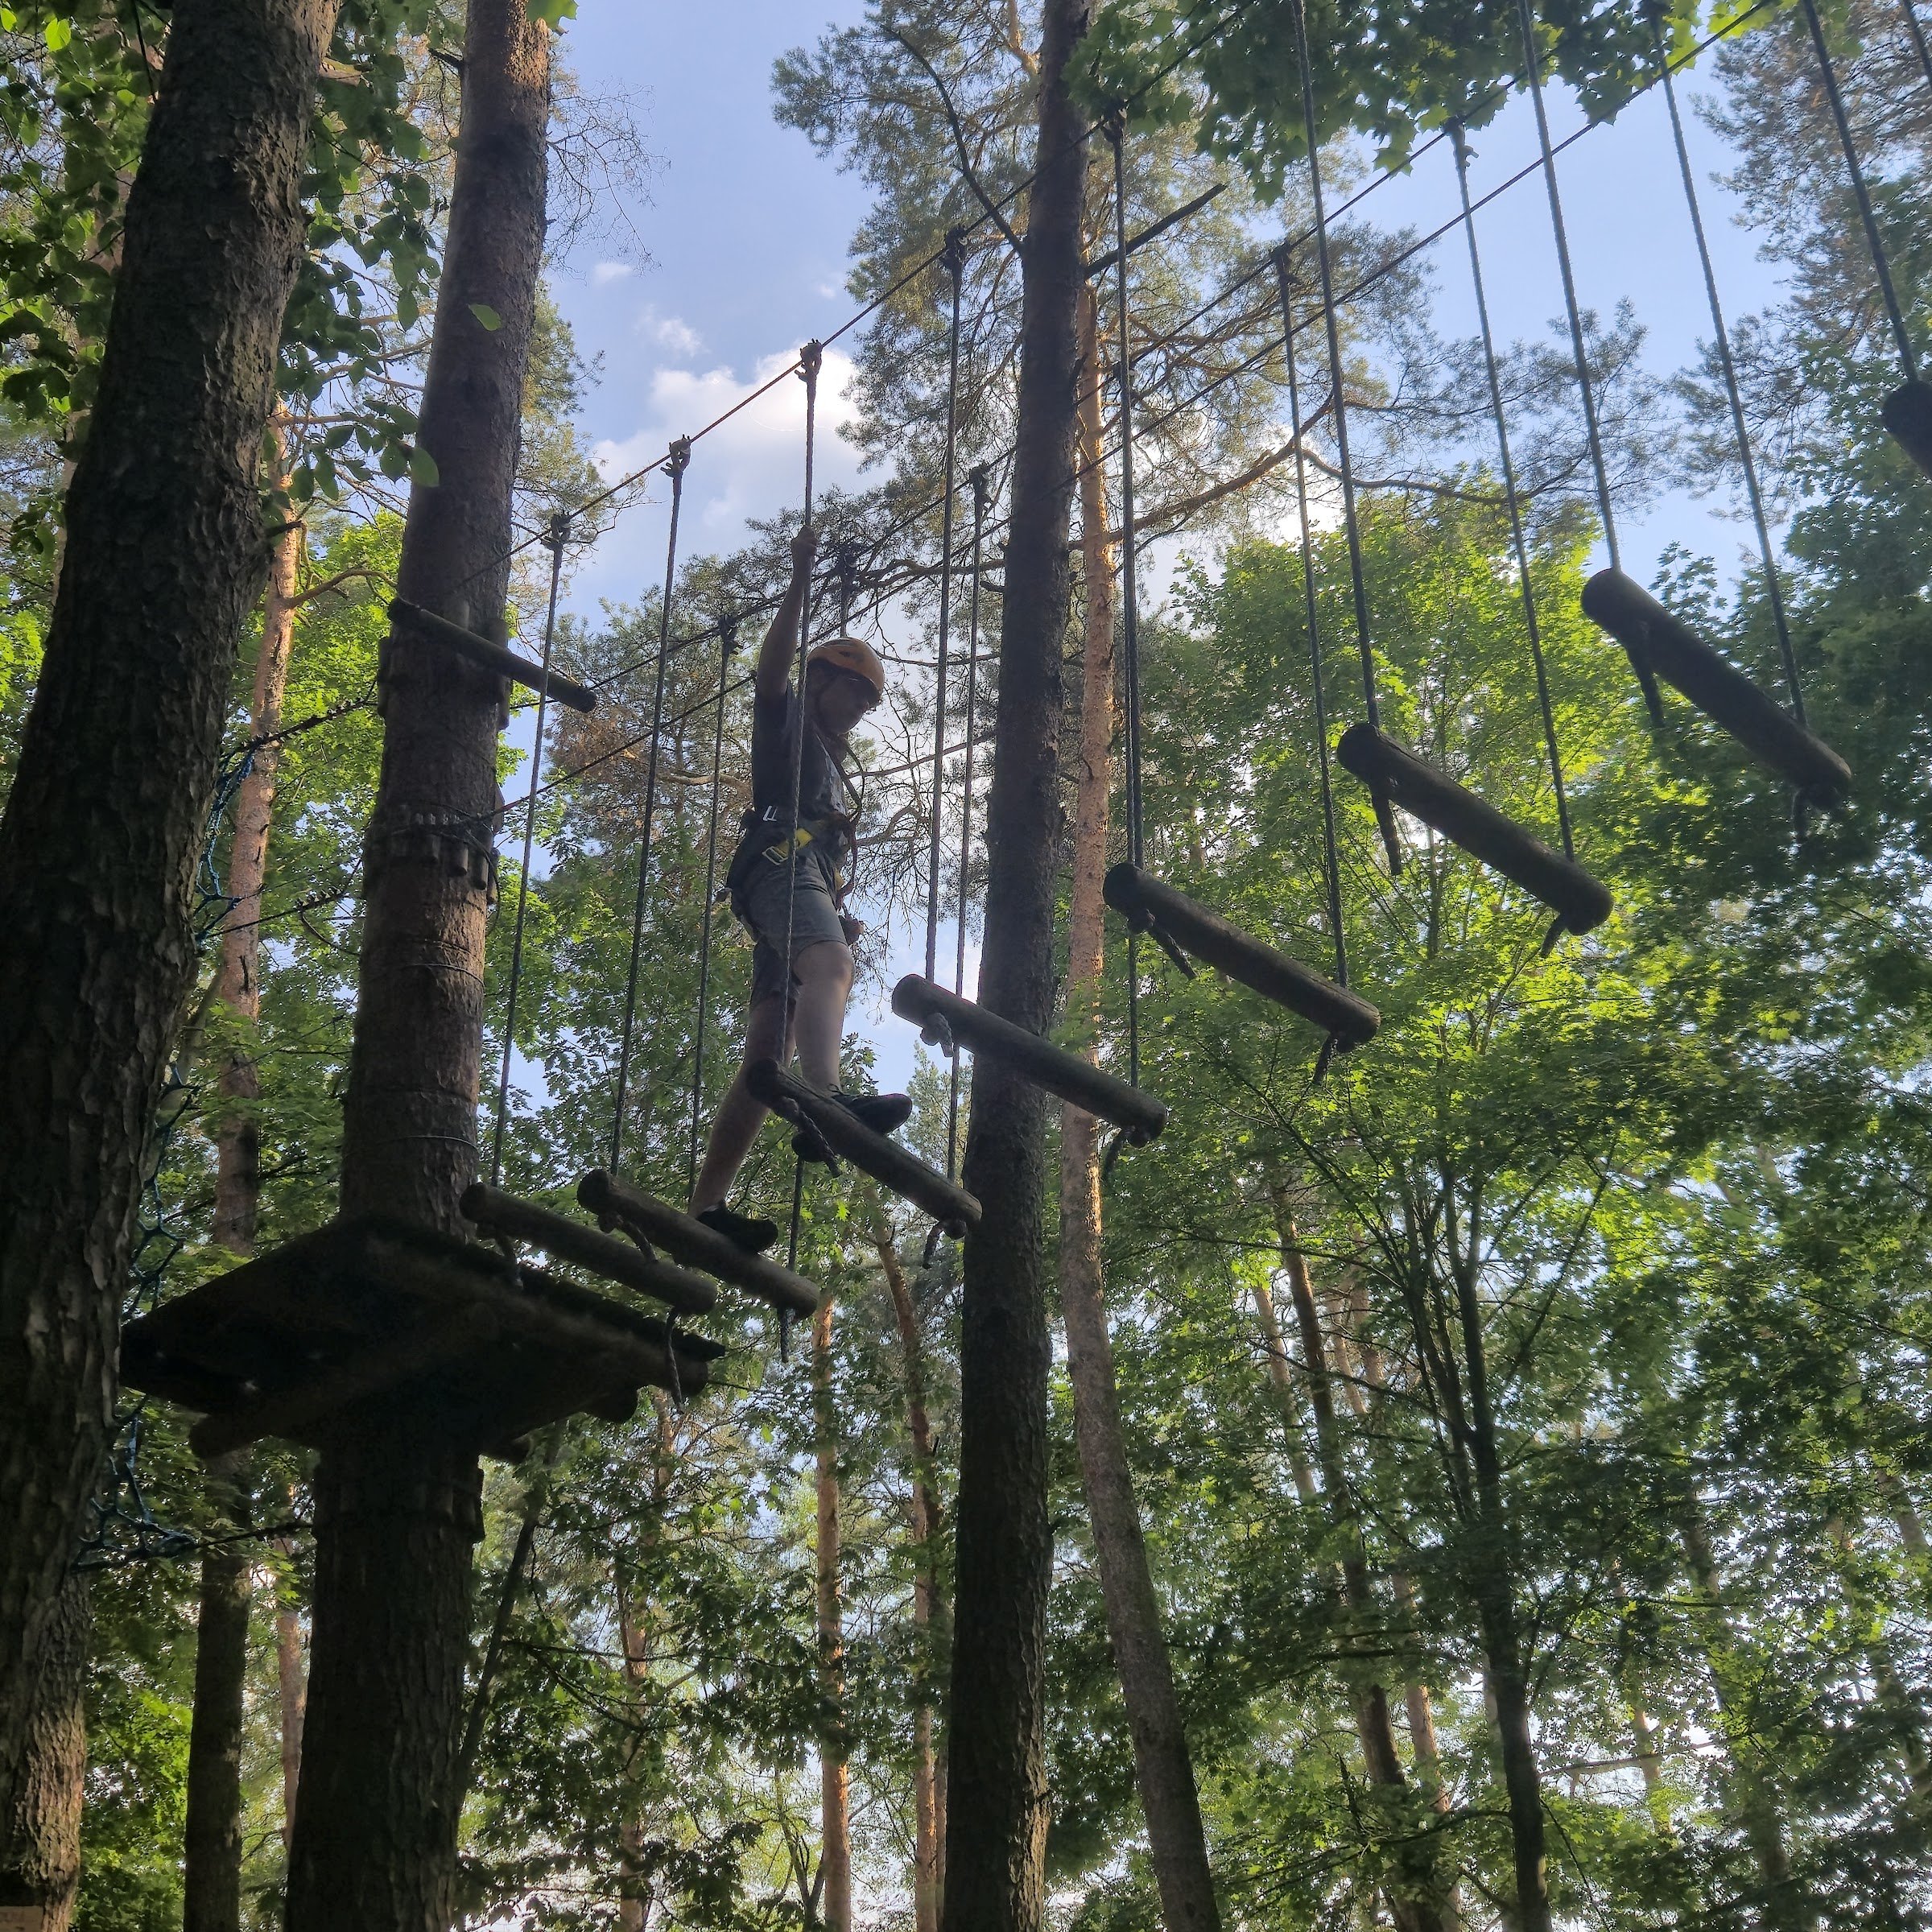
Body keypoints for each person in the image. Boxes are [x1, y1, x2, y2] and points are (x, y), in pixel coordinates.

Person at [690, 526, 911, 1253]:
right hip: (780, 870)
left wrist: (834, 912)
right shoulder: (788, 728)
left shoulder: (832, 765)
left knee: (767, 1055)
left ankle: (706, 1207)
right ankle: (826, 1096)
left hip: (795, 884)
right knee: (832, 966)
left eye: (869, 701)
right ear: (819, 680)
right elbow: (770, 673)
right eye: (854, 689)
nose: (860, 706)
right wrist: (799, 580)